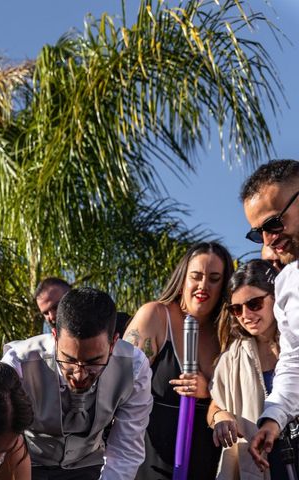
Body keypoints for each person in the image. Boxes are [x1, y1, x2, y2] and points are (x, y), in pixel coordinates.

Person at [2, 286, 152, 479]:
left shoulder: (134, 368)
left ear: (113, 343)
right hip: (27, 465)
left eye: (93, 362)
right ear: (55, 337)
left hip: (91, 466)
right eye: (69, 359)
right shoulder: (19, 363)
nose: (79, 375)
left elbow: (125, 449)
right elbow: (0, 441)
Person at [124, 241, 234, 479]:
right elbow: (120, 383)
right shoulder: (155, 316)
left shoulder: (228, 333)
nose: (203, 285)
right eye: (196, 276)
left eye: (214, 279)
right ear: (183, 277)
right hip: (150, 461)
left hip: (208, 465)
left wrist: (209, 391)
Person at [241, 159, 299, 469]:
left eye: (273, 223)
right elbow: (294, 362)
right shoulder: (289, 283)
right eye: (257, 233)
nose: (268, 239)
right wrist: (273, 419)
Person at [208, 260, 288, 479]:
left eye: (254, 304)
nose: (245, 315)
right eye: (236, 309)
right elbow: (216, 403)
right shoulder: (231, 358)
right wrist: (221, 417)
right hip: (258, 461)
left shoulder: (295, 343)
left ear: (276, 296)